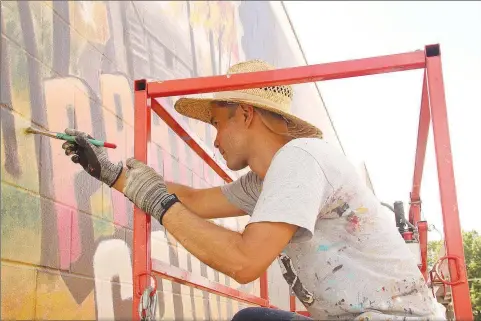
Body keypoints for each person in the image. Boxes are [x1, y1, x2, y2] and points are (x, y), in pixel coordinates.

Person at [62, 60, 446, 320]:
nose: (215, 141)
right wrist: (115, 175)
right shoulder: (266, 179)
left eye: (215, 124)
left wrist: (154, 199)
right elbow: (193, 202)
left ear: (245, 114)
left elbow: (244, 263)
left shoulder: (300, 159)